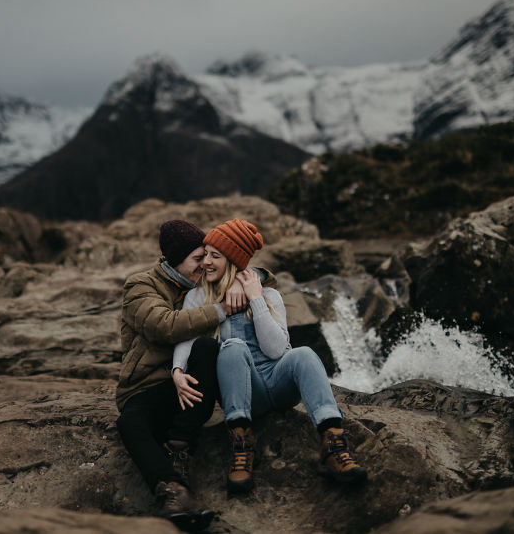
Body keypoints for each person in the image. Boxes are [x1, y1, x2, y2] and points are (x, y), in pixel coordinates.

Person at [172, 219, 367, 493]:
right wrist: (177, 370)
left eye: (215, 256)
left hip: (279, 383)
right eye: (205, 255)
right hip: (244, 392)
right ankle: (241, 445)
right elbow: (187, 337)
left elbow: (276, 350)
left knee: (304, 353)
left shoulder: (270, 295)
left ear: (233, 261)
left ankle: (333, 444)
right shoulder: (198, 297)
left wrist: (256, 299)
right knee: (233, 347)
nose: (206, 262)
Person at [116, 219, 251, 531]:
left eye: (208, 256)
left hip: (193, 385)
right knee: (129, 422)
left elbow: (258, 271)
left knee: (206, 348)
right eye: (198, 258)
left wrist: (243, 281)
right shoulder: (141, 286)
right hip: (148, 386)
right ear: (176, 260)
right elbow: (162, 325)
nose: (206, 264)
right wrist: (221, 309)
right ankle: (174, 491)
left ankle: (179, 446)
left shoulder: (207, 280)